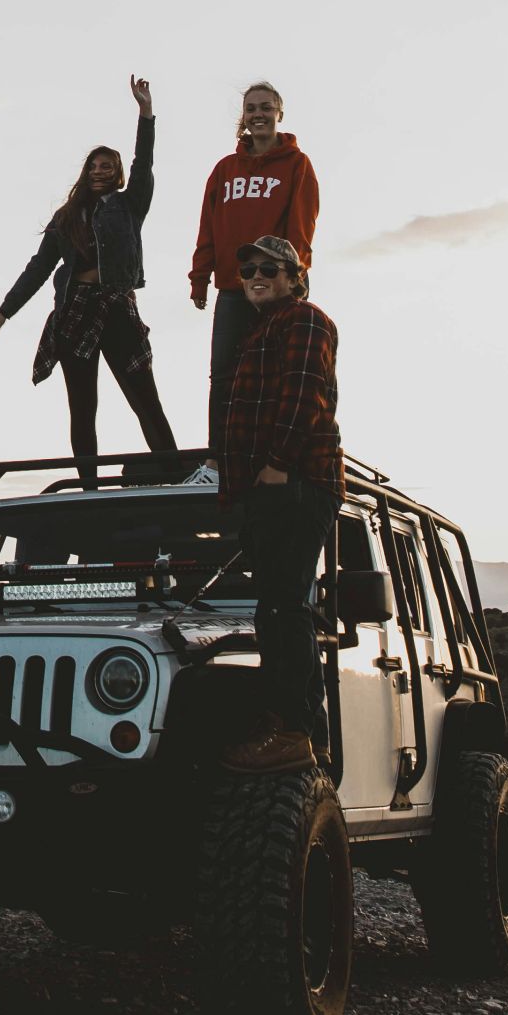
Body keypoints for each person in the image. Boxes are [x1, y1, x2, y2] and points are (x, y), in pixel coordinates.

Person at [0, 76, 178, 488]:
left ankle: (176, 475)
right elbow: (38, 268)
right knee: (82, 407)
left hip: (117, 307)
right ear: (85, 171)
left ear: (118, 173)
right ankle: (89, 488)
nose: (99, 171)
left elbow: (145, 164)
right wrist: (5, 311)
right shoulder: (67, 216)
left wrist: (145, 114)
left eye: (107, 166)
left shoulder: (129, 205)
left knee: (145, 399)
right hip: (75, 312)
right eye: (93, 165)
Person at [215, 235, 342, 773]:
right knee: (274, 608)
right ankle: (287, 725)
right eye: (248, 270)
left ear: (295, 277)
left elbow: (304, 392)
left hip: (295, 481)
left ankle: (296, 732)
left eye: (270, 268)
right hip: (269, 488)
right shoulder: (261, 329)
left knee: (286, 607)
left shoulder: (306, 320)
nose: (256, 275)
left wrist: (279, 463)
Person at [190, 82, 321, 474]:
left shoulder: (297, 165)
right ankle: (216, 461)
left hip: (277, 287)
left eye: (266, 107)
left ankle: (276, 459)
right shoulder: (225, 170)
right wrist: (200, 277)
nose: (258, 114)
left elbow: (302, 228)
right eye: (251, 109)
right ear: (243, 117)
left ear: (279, 113)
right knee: (224, 376)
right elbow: (208, 226)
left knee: (281, 373)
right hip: (234, 287)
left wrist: (293, 277)